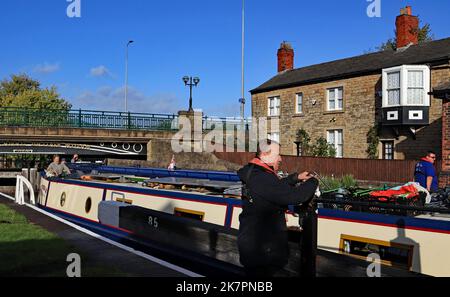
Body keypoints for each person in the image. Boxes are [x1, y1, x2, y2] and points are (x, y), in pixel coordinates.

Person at [237, 139, 319, 277]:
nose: (280, 158)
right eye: (278, 154)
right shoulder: (261, 178)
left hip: (255, 248)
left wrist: (295, 178)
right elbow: (295, 197)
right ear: (265, 154)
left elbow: (274, 188)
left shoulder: (255, 172)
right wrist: (313, 181)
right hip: (263, 254)